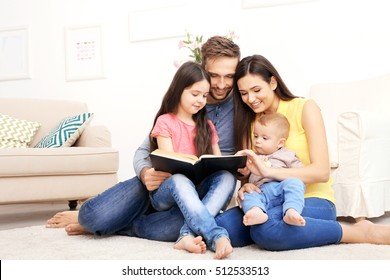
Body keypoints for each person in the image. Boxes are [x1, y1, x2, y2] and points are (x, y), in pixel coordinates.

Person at [46, 36, 241, 248]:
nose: (221, 84)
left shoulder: (241, 104)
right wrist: (146, 173)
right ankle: (97, 219)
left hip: (198, 192)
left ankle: (123, 226)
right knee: (93, 217)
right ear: (202, 69)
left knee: (192, 217)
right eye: (214, 76)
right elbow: (144, 151)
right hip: (160, 184)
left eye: (229, 76)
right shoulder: (172, 116)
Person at [214, 54, 390, 250]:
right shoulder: (249, 121)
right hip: (266, 199)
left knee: (265, 230)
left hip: (311, 199)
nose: (251, 99)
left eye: (256, 90)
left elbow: (321, 172)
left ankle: (356, 232)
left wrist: (269, 172)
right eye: (244, 93)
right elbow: (248, 174)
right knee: (221, 228)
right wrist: (244, 187)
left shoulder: (305, 108)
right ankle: (290, 230)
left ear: (273, 82)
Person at [147, 61, 234, 258]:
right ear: (178, 90)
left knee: (227, 176)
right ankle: (216, 234)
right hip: (167, 192)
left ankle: (186, 235)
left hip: (196, 189)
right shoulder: (165, 122)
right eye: (195, 94)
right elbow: (167, 161)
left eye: (204, 96)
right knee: (179, 179)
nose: (201, 100)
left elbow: (216, 161)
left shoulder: (207, 125)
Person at [241, 112, 306, 227]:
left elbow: (302, 173)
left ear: (280, 142)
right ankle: (256, 211)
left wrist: (269, 169)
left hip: (280, 189)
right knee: (247, 194)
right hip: (261, 193)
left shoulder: (287, 155)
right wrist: (245, 173)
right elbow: (245, 176)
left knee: (295, 183)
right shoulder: (253, 157)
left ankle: (291, 211)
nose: (257, 141)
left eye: (264, 138)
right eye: (256, 136)